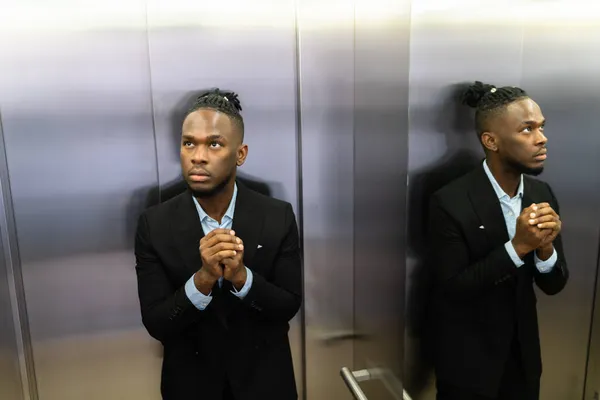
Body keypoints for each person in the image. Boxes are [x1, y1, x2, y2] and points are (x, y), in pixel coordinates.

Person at [134, 89, 302, 400]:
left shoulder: (276, 215)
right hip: (191, 386)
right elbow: (156, 322)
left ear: (240, 154)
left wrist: (242, 278)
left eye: (214, 143)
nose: (198, 156)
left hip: (265, 384)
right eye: (188, 143)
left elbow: (289, 304)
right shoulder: (154, 224)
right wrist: (203, 280)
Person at [427, 81, 569, 400]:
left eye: (541, 127)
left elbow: (554, 284)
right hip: (468, 365)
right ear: (491, 141)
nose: (542, 138)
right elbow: (451, 289)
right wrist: (519, 246)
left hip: (524, 361)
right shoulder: (450, 201)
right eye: (527, 129)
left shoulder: (541, 194)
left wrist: (545, 249)